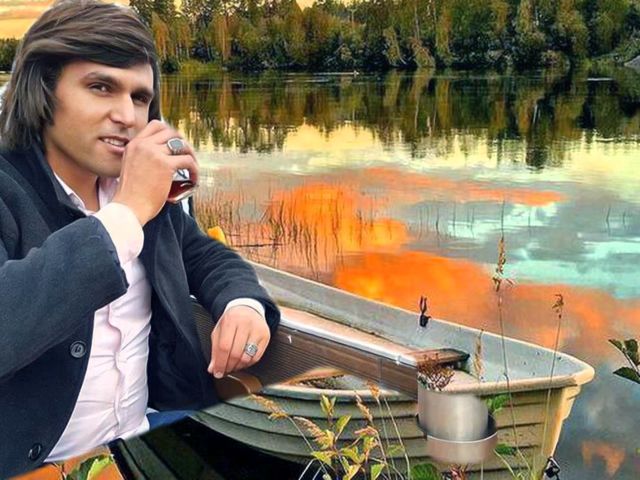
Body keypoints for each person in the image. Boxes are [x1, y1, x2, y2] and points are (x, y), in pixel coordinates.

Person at [0, 1, 280, 477]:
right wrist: (127, 213)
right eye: (101, 87)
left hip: (143, 437)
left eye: (140, 97)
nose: (127, 115)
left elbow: (206, 256)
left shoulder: (146, 196)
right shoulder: (11, 188)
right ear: (43, 90)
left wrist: (243, 304)